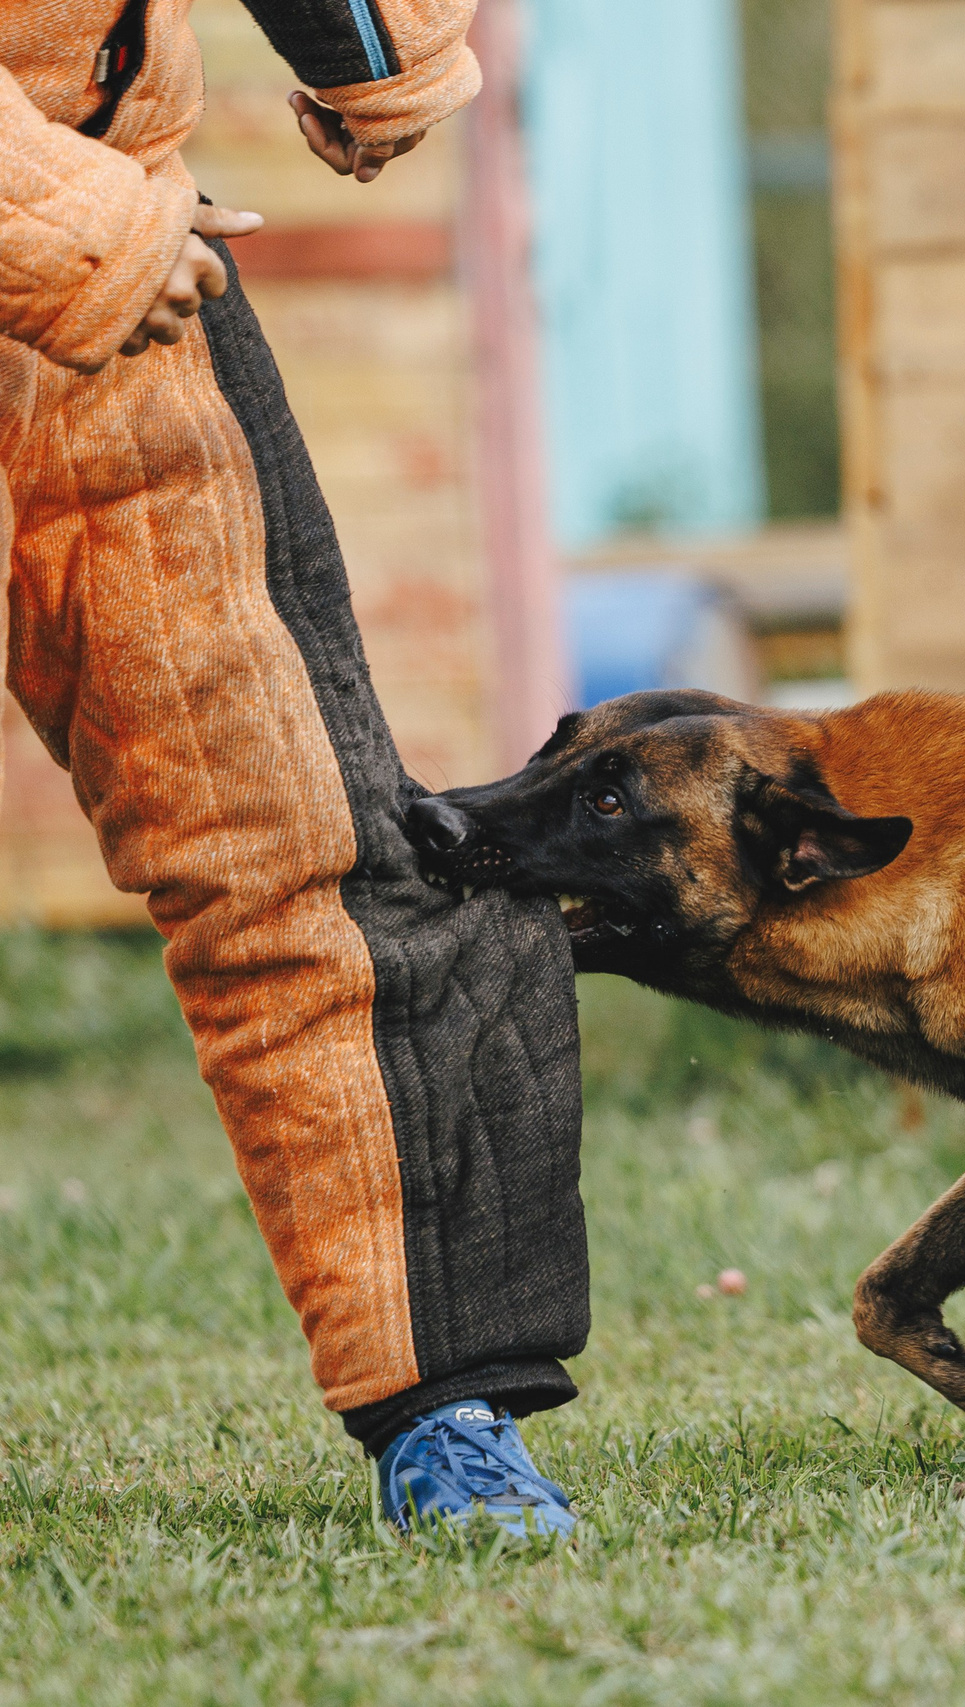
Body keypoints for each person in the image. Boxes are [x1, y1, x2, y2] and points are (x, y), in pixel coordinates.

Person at [1, 4, 585, 1534]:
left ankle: (444, 1414)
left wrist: (381, 40)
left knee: (315, 844)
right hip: (101, 230)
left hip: (130, 269)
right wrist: (77, 227)